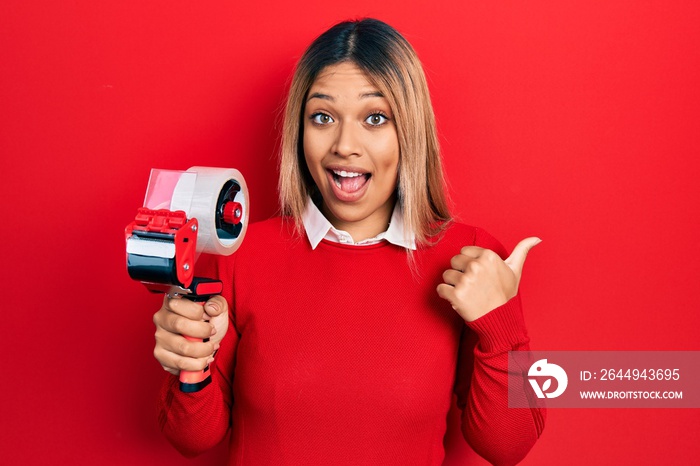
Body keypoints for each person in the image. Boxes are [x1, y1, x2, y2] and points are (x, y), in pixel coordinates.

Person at [152, 18, 545, 466]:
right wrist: (190, 363)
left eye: (374, 118)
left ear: (409, 132)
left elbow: (508, 446)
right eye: (322, 117)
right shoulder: (240, 256)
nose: (344, 145)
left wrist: (502, 328)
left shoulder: (470, 258)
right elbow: (192, 438)